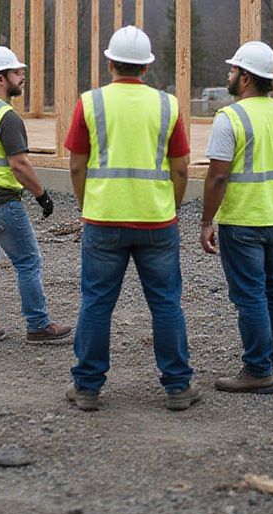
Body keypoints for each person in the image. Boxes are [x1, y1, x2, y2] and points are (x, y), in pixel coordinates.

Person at [65, 25, 198, 413]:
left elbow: (76, 165)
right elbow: (182, 169)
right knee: (166, 304)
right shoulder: (167, 105)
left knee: (96, 303)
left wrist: (84, 204)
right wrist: (169, 207)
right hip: (157, 222)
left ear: (110, 63)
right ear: (147, 67)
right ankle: (177, 387)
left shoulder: (90, 103)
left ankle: (87, 388)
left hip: (104, 220)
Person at [200, 41, 273, 394]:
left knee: (250, 295)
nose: (228, 75)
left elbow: (217, 177)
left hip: (243, 221)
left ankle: (258, 370)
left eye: (232, 70)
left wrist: (205, 221)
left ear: (245, 78)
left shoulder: (230, 118)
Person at [0, 45, 71, 347]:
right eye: (16, 72)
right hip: (0, 204)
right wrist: (42, 196)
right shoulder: (7, 117)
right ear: (0, 78)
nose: (22, 77)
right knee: (28, 262)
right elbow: (19, 164)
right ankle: (38, 325)